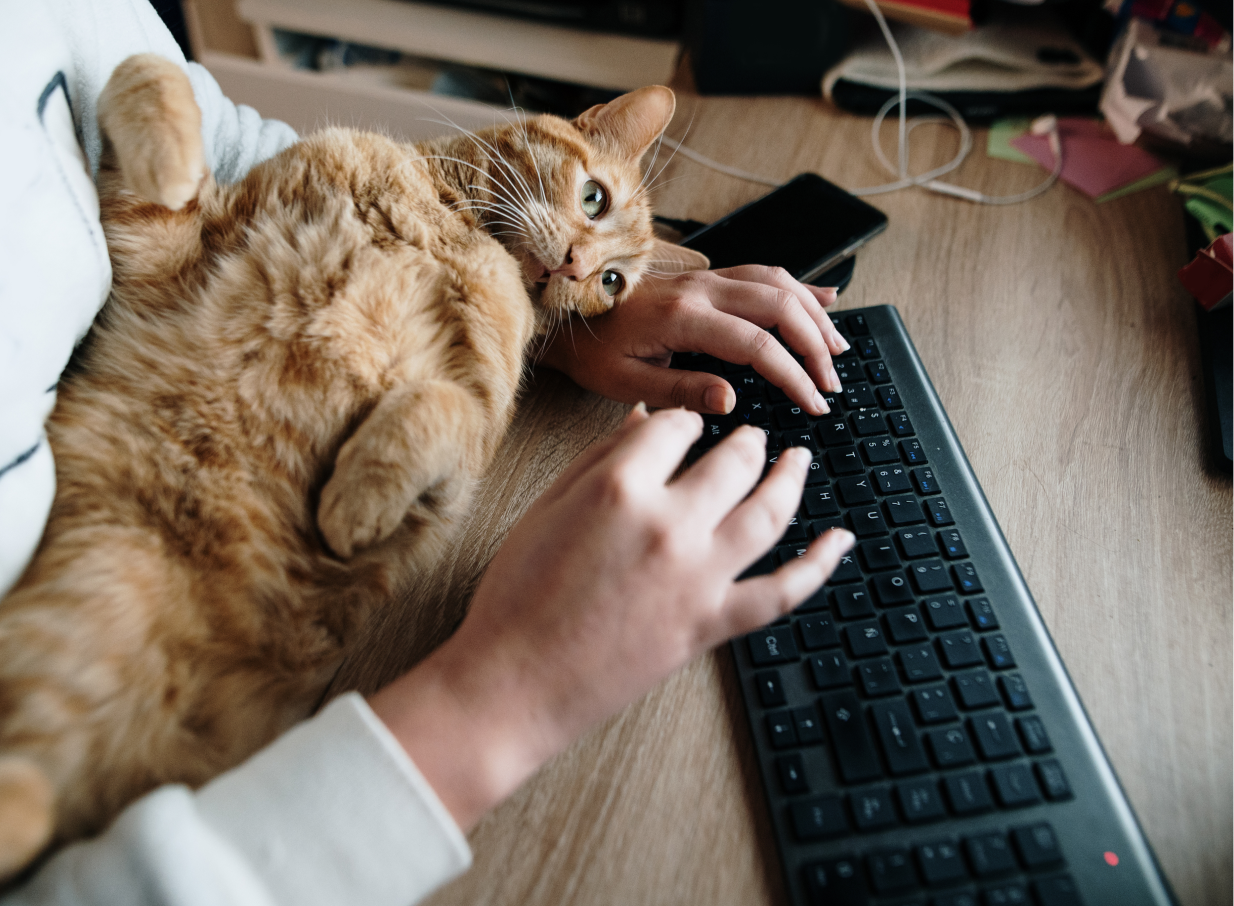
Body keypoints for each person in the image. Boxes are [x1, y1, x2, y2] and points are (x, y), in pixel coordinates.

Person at [0, 1, 855, 903]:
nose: (579, 261)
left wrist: (574, 317)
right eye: (594, 201)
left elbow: (231, 160)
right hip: (159, 569)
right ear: (580, 128)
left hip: (178, 551)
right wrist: (513, 688)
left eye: (605, 277)